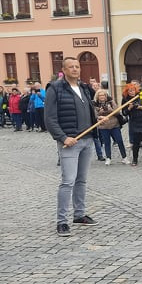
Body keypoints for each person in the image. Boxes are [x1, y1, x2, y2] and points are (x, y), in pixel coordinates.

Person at [44, 57, 99, 236]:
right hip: (69, 142)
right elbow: (50, 118)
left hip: (86, 139)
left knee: (81, 180)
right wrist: (62, 137)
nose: (75, 69)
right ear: (64, 70)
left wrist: (98, 120)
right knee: (68, 181)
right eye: (71, 67)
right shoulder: (55, 89)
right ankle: (62, 222)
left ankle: (79, 214)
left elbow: (88, 112)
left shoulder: (84, 88)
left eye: (77, 66)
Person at [93, 89, 129, 166]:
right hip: (103, 126)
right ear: (98, 97)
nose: (102, 97)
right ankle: (108, 158)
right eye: (100, 95)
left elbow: (117, 112)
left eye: (103, 95)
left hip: (114, 125)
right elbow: (95, 115)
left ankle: (124, 157)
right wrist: (101, 112)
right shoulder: (95, 104)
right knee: (107, 142)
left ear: (106, 96)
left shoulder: (111, 102)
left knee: (119, 141)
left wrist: (110, 109)